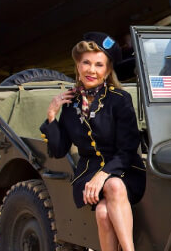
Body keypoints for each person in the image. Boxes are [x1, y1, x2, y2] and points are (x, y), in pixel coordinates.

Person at [41, 32, 145, 251]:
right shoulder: (70, 105)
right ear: (78, 66)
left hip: (124, 169)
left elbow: (127, 150)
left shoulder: (119, 100)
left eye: (99, 65)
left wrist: (104, 174)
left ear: (107, 71)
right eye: (86, 62)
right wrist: (52, 115)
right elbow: (59, 151)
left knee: (110, 196)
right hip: (88, 174)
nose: (91, 70)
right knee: (103, 211)